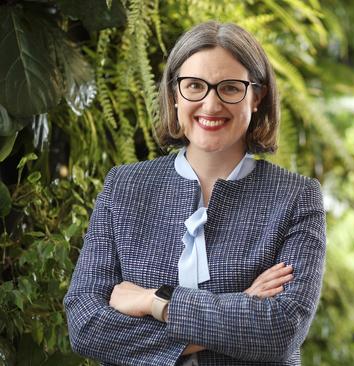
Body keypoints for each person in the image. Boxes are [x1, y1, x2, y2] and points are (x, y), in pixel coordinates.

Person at [64, 21, 326, 365]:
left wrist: (156, 303)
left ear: (257, 97)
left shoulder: (296, 198)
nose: (211, 104)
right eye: (194, 86)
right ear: (175, 95)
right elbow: (86, 326)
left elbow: (280, 330)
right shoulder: (124, 187)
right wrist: (240, 307)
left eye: (230, 88)